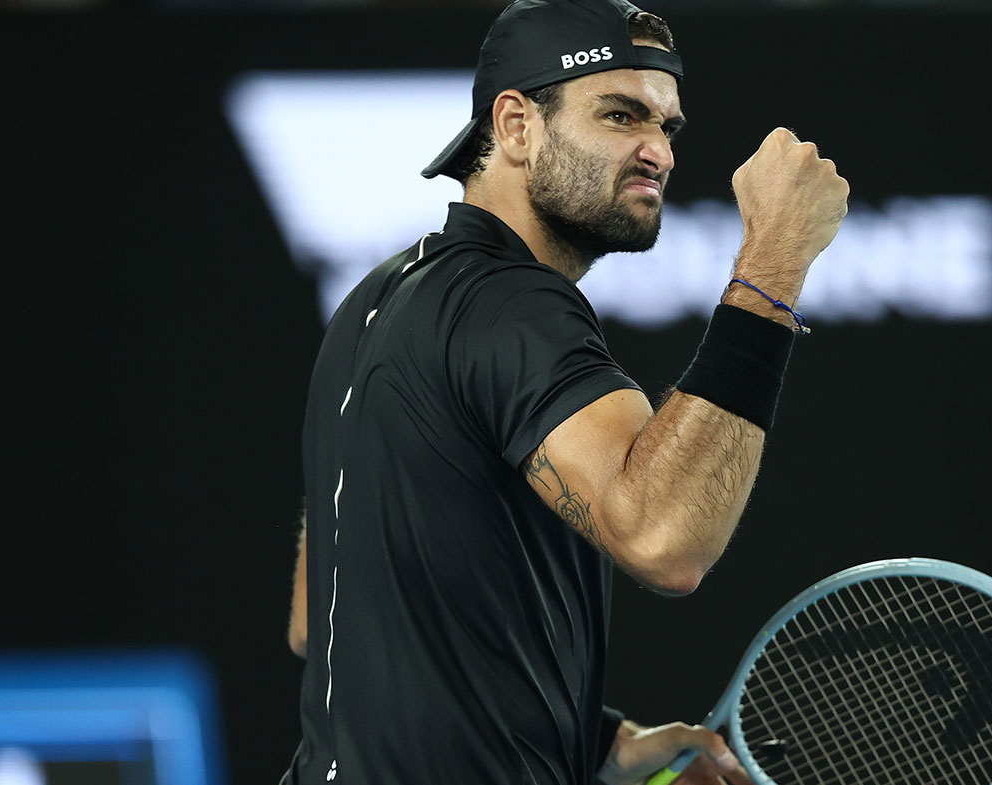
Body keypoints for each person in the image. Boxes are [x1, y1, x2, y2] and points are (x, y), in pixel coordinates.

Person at [282, 1, 849, 783]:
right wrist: (775, 260)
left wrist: (595, 746)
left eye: (668, 126)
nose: (657, 151)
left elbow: (323, 619)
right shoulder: (511, 303)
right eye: (620, 114)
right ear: (515, 125)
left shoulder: (375, 300)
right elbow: (664, 539)